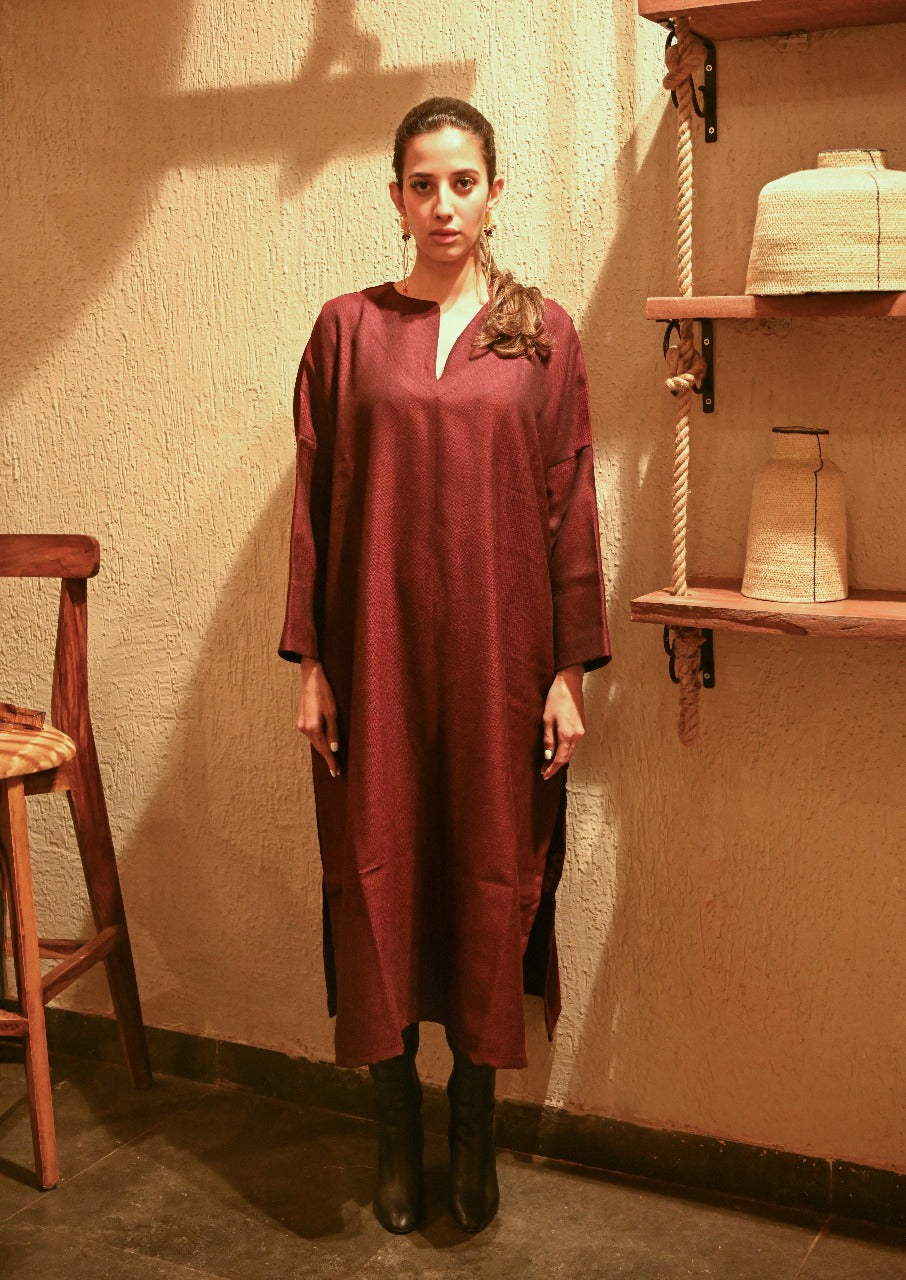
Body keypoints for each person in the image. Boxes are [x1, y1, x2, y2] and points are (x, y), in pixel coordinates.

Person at [279, 97, 610, 1236]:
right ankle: (395, 1130)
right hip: (373, 664)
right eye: (422, 184)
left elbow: (571, 505)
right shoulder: (345, 331)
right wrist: (311, 663)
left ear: (494, 192)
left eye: (463, 181)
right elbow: (314, 507)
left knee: (486, 874)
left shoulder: (543, 335)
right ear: (396, 197)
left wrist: (569, 672)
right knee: (375, 874)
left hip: (498, 668)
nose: (443, 205)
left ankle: (474, 1122)